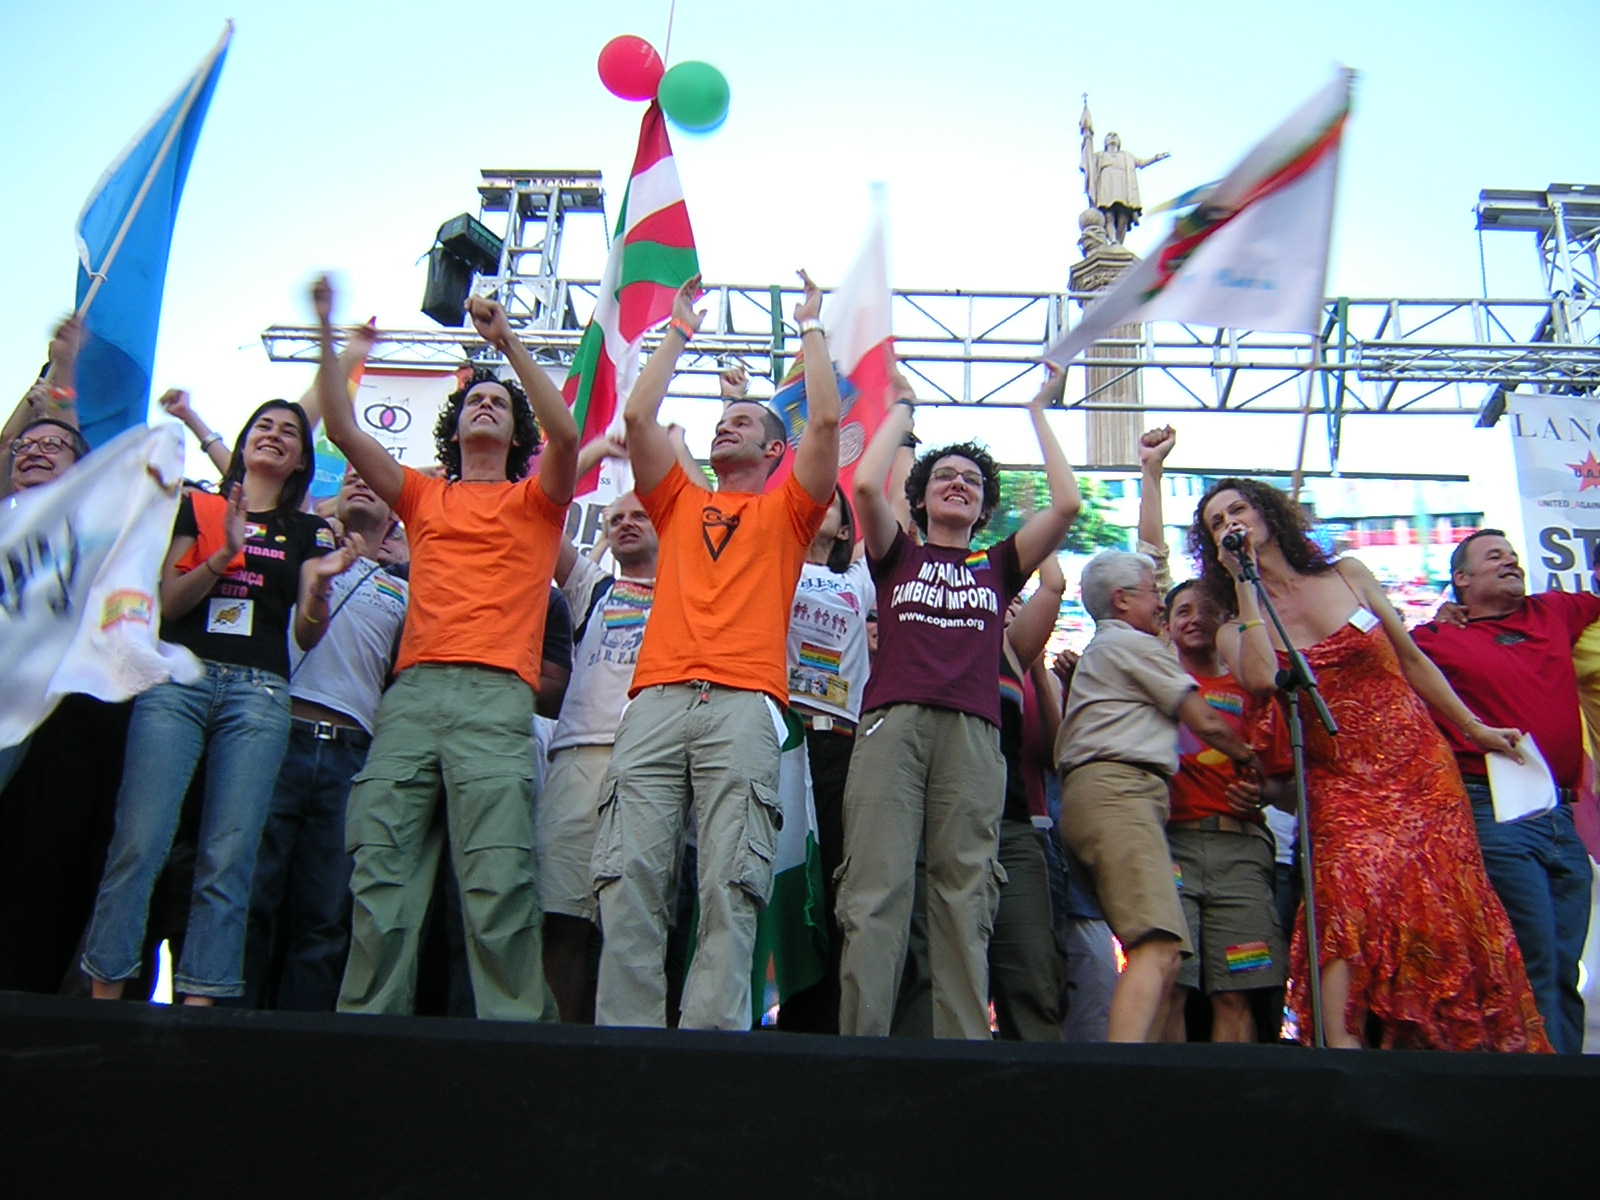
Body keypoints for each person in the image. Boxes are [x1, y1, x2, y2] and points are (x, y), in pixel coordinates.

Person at [1192, 478, 1550, 1051]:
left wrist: (1474, 727)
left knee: (1441, 903)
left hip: (1419, 766)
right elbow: (1260, 679)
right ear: (1214, 547)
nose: (1231, 522)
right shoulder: (1235, 626)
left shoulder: (1349, 574)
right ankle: (1344, 1049)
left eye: (1239, 509)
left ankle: (1442, 1043)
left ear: (1269, 516)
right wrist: (1245, 585)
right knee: (1347, 896)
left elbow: (1411, 659)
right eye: (1217, 522)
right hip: (1339, 781)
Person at [317, 276, 578, 1021]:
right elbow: (341, 429)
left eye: (499, 403)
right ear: (454, 428)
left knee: (498, 882)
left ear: (515, 432)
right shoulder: (422, 495)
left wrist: (506, 343)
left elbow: (565, 435)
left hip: (496, 697)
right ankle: (366, 1033)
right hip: (412, 696)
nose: (484, 405)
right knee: (381, 874)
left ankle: (517, 1041)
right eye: (473, 400)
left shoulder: (538, 500)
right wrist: (329, 330)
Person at [592, 272, 839, 1031]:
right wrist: (679, 331)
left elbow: (827, 421)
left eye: (743, 421)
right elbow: (639, 415)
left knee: (733, 883)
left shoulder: (791, 511)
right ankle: (627, 1043)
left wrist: (811, 328)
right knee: (628, 876)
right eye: (721, 420)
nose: (725, 427)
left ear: (775, 449)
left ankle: (712, 1043)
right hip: (656, 701)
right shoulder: (677, 499)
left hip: (743, 705)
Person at [80, 393, 358, 1003]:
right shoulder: (199, 506)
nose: (275, 434)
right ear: (243, 442)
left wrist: (320, 587)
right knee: (140, 840)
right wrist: (223, 555)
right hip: (177, 680)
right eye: (264, 425)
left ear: (300, 461)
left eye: (290, 432)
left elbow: (307, 632)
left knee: (229, 855)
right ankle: (104, 996)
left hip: (258, 694)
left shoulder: (309, 530)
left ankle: (201, 1002)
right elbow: (168, 603)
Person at [836, 365, 1081, 1040]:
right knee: (876, 889)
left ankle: (962, 1050)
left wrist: (1038, 410)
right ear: (918, 499)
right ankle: (861, 1049)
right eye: (944, 476)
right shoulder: (898, 556)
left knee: (965, 894)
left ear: (983, 509)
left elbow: (1066, 506)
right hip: (893, 724)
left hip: (974, 737)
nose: (958, 484)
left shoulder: (997, 567)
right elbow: (865, 485)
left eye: (971, 481)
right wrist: (903, 409)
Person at [1056, 550, 1262, 1044]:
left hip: (1101, 799)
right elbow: (1206, 720)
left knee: (1169, 956)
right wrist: (1251, 759)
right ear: (1122, 600)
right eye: (1154, 593)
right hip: (1120, 795)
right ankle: (1124, 1071)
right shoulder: (1132, 644)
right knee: (1157, 945)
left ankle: (1157, 1070)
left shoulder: (1107, 648)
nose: (1161, 605)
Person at [1413, 530, 1599, 1054]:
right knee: (1532, 958)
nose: (1511, 562)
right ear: (1461, 579)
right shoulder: (1432, 641)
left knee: (1564, 966)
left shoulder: (1555, 612)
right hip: (1493, 811)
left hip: (1560, 816)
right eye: (1495, 556)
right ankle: (1538, 1084)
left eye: (1513, 556)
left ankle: (1567, 1080)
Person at [239, 465, 407, 1011]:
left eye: (374, 480)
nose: (360, 481)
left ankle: (300, 1047)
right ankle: (225, 1037)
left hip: (351, 756)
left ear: (397, 511)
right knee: (250, 899)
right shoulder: (295, 554)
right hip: (275, 737)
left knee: (325, 916)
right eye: (351, 475)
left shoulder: (409, 587)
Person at [538, 436, 660, 1024]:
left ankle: (620, 1054)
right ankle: (557, 1050)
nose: (625, 524)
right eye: (615, 518)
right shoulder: (593, 586)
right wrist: (588, 452)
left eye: (640, 515)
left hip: (652, 767)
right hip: (577, 760)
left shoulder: (694, 593)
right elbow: (540, 516)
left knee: (632, 925)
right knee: (560, 917)